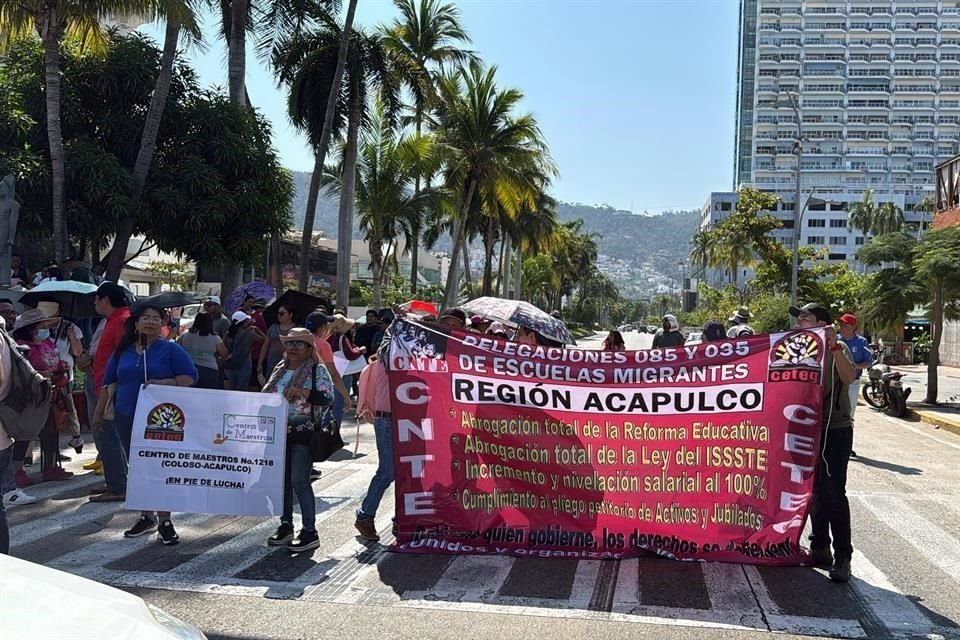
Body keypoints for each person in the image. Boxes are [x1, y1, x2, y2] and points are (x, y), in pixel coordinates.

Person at [92, 302, 198, 542]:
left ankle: (165, 520)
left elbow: (190, 378)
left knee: (158, 468)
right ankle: (146, 516)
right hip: (126, 416)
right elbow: (108, 385)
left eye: (156, 318)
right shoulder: (123, 351)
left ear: (162, 324)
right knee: (138, 468)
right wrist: (98, 415)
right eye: (146, 318)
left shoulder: (171, 350)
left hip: (160, 421)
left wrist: (165, 383)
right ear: (136, 323)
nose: (150, 322)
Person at [791, 302, 856, 582]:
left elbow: (849, 376)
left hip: (834, 428)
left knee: (833, 492)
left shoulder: (837, 347)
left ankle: (843, 555)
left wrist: (833, 346)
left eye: (806, 318)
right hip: (805, 429)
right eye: (799, 318)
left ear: (822, 324)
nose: (800, 322)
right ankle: (820, 545)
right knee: (813, 489)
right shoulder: (795, 348)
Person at [262, 327, 334, 552]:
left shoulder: (317, 370)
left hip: (304, 432)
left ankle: (310, 530)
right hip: (277, 434)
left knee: (299, 480)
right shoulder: (280, 369)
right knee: (281, 482)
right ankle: (286, 525)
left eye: (299, 344)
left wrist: (303, 392)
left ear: (309, 348)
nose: (293, 348)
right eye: (290, 344)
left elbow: (328, 397)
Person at [12, 309, 73, 483]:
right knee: (24, 434)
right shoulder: (20, 348)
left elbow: (54, 360)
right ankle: (16, 470)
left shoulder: (48, 343)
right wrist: (39, 374)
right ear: (31, 329)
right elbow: (19, 373)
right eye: (42, 326)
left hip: (51, 394)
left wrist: (62, 367)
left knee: (51, 432)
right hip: (30, 397)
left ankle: (51, 467)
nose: (46, 329)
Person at [88, 282, 131, 501]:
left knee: (109, 436)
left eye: (97, 298)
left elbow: (124, 356)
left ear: (106, 299)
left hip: (111, 388)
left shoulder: (121, 320)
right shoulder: (112, 320)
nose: (95, 303)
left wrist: (110, 388)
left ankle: (118, 486)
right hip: (105, 385)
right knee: (108, 436)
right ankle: (115, 482)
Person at [354, 354, 392, 541]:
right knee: (387, 472)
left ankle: (402, 520)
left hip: (411, 420)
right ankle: (365, 516)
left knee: (409, 472)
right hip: (387, 420)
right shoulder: (385, 360)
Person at [837, 313, 872, 458]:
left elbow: (868, 362)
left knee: (848, 416)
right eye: (841, 324)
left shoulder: (861, 342)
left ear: (853, 327)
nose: (842, 327)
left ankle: (847, 446)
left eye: (846, 325)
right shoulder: (836, 340)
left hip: (852, 383)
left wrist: (855, 366)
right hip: (836, 381)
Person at [305, 312, 353, 415]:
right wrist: (346, 397)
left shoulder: (296, 341)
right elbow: (334, 374)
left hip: (292, 390)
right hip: (312, 394)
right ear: (322, 327)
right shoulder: (323, 345)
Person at [329, 314, 365, 425]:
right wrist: (360, 350)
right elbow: (350, 355)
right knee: (339, 402)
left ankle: (328, 430)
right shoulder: (342, 338)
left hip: (331, 369)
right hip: (344, 371)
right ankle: (335, 432)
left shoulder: (328, 337)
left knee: (332, 402)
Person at [178, 312, 227, 389]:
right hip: (209, 370)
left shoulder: (185, 335)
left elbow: (177, 349)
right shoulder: (215, 338)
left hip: (188, 368)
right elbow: (224, 354)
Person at [223, 311, 262, 391]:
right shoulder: (250, 334)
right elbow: (264, 340)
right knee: (242, 390)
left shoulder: (228, 334)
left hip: (229, 364)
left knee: (230, 390)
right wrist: (256, 329)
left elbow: (223, 346)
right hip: (244, 365)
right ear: (243, 322)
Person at [258, 305, 296, 386]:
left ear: (290, 315)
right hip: (271, 365)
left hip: (288, 366)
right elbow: (265, 346)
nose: (279, 316)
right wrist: (260, 363)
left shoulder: (296, 329)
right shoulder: (273, 328)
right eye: (278, 313)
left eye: (282, 313)